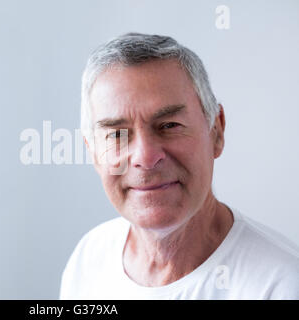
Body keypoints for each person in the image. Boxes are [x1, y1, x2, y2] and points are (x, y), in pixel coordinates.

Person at [59, 33, 299, 299]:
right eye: (117, 135)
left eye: (169, 125)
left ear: (216, 132)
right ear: (93, 152)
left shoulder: (281, 284)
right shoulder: (90, 257)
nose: (145, 157)